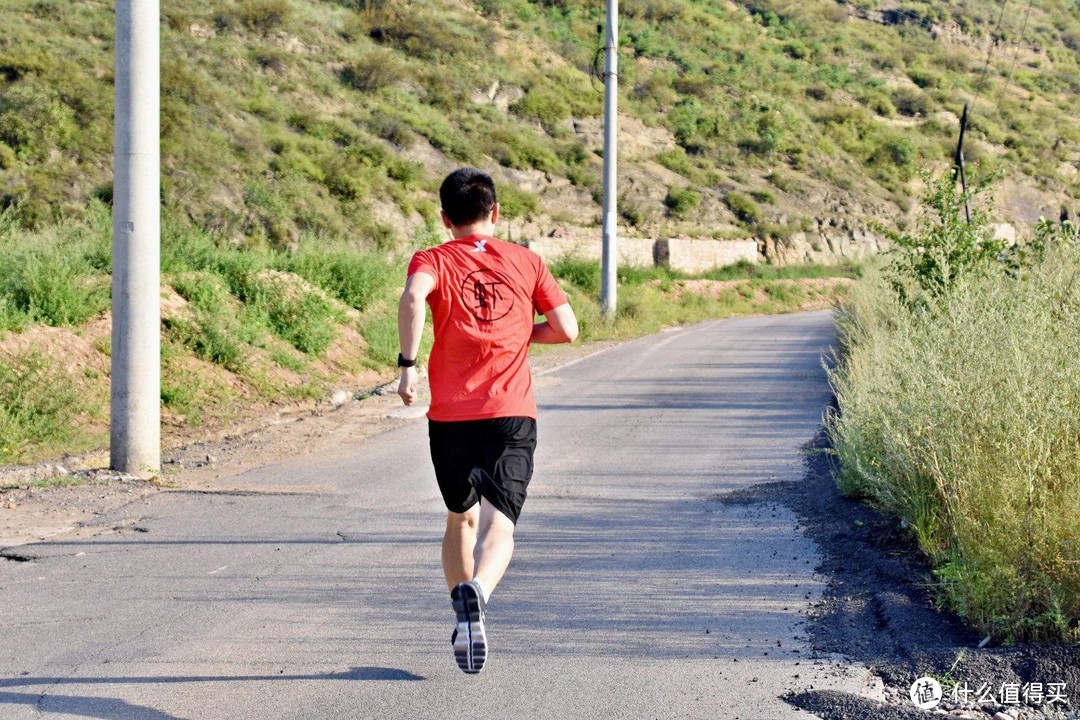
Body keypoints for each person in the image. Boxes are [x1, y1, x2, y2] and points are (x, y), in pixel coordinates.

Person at [397, 167, 578, 674]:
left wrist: (407, 367)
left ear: (444, 217)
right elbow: (567, 329)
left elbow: (413, 298)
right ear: (495, 212)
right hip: (511, 411)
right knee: (502, 522)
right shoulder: (527, 260)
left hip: (451, 414)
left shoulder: (431, 258)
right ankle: (479, 593)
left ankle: (462, 610)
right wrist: (520, 335)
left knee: (461, 515)